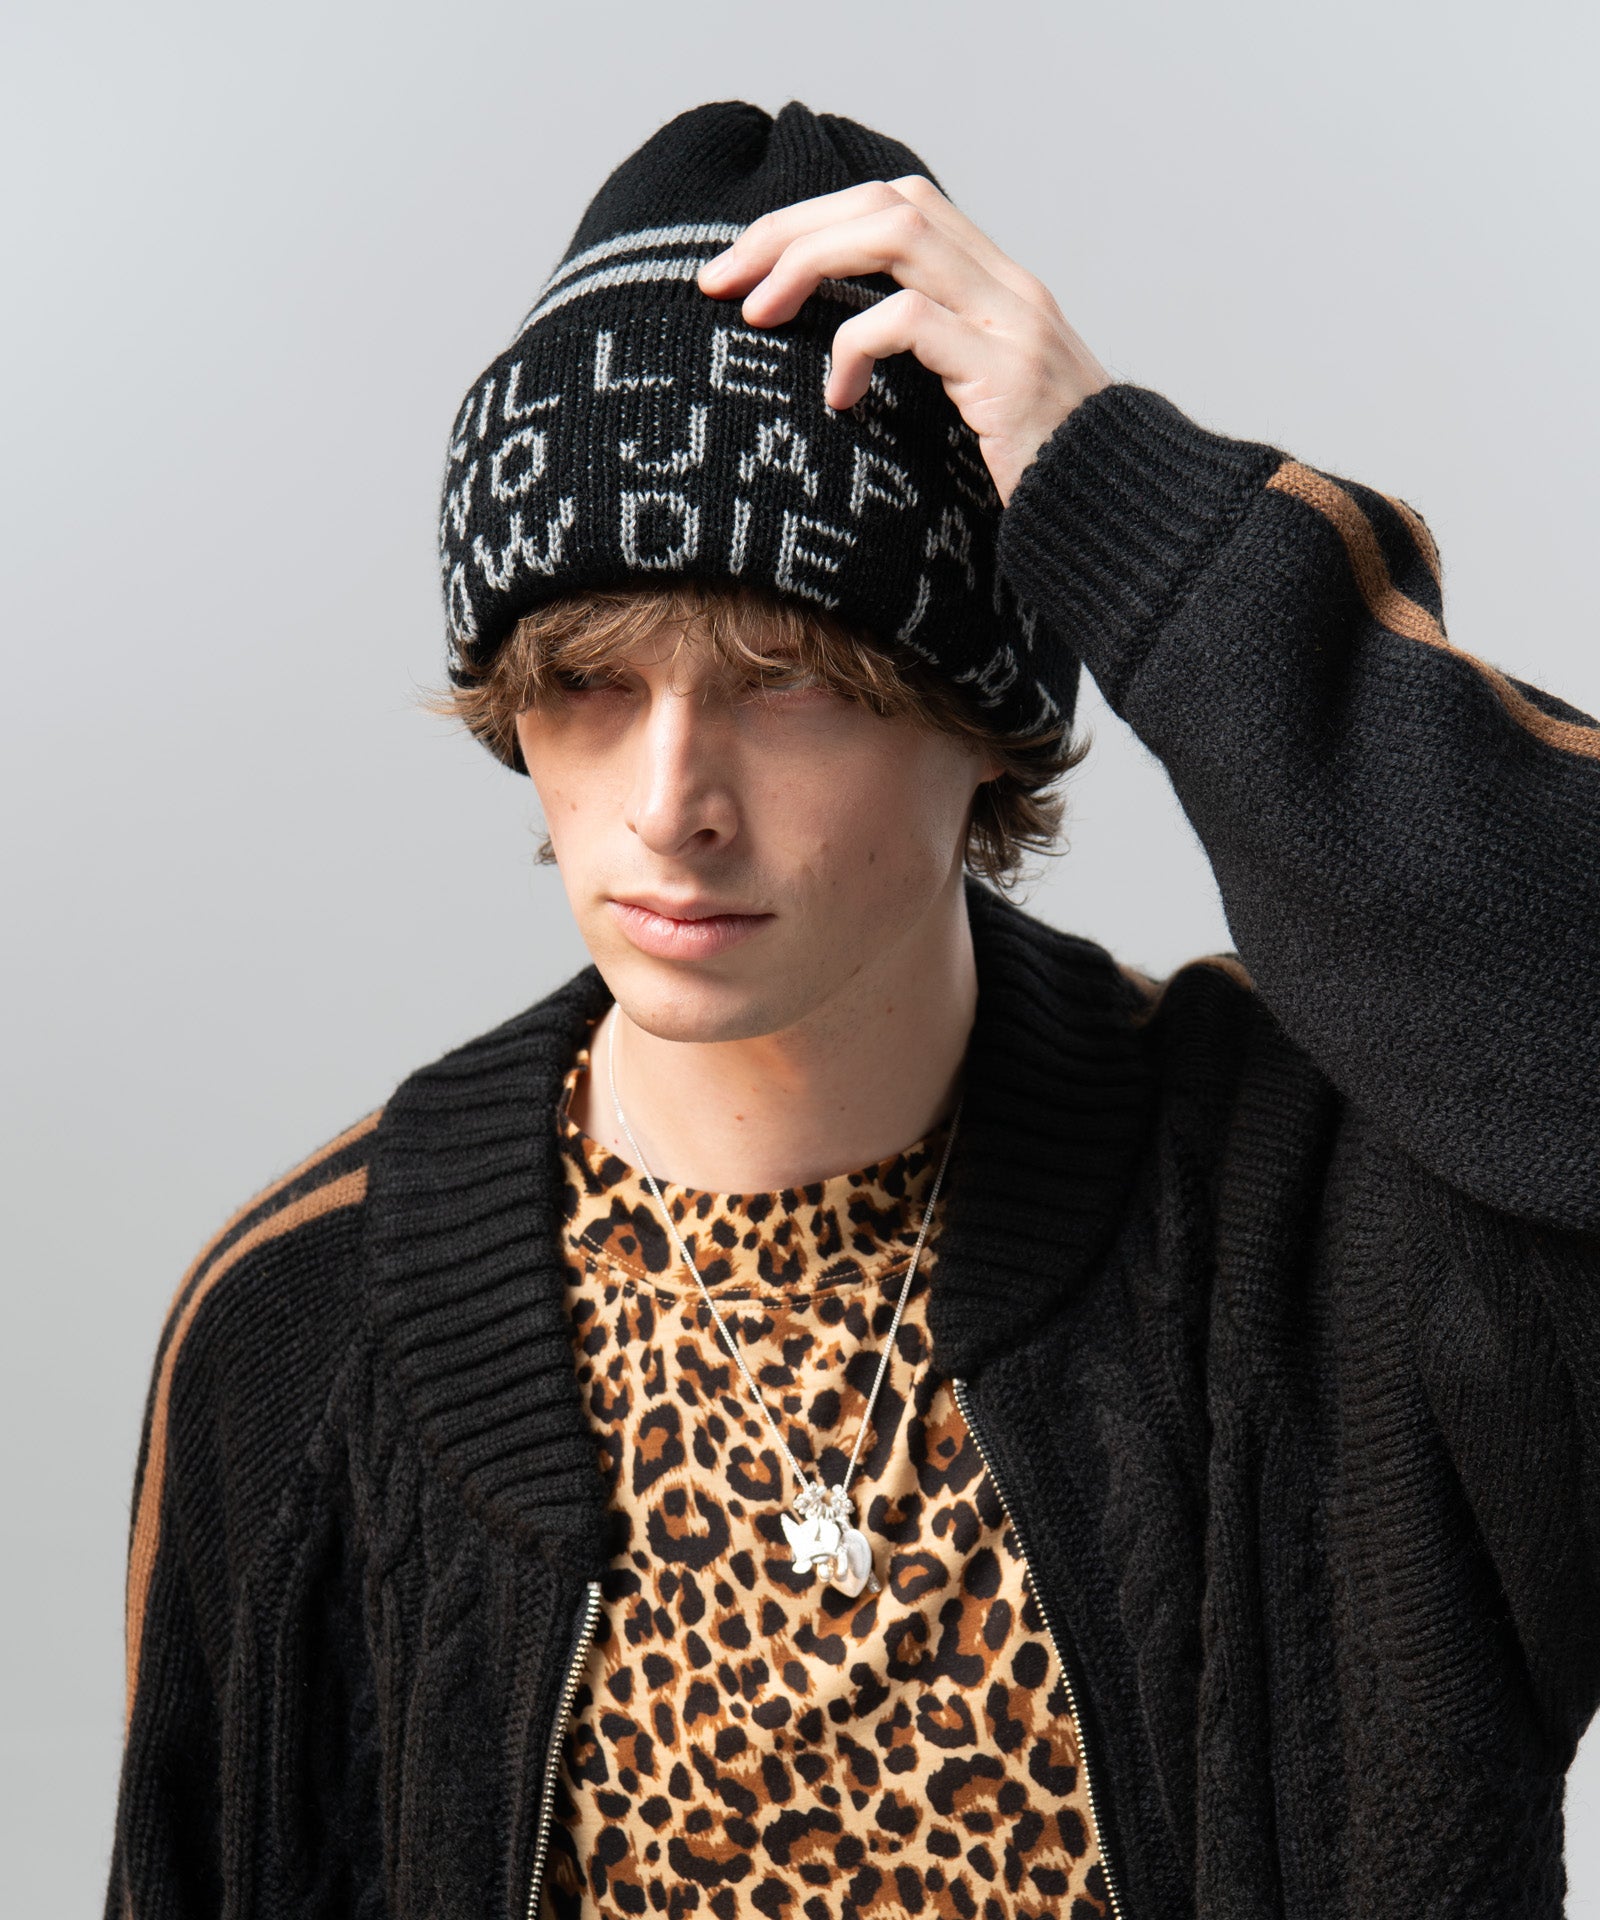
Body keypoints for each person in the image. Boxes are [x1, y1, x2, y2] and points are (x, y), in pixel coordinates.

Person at [105, 99, 1600, 1920]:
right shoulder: (296, 1327)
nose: (670, 803)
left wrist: (1134, 515)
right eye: (589, 680)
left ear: (984, 726)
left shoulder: (1327, 1244)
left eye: (789, 682)